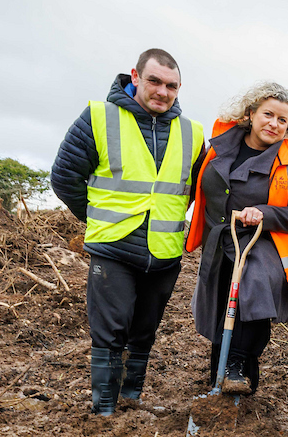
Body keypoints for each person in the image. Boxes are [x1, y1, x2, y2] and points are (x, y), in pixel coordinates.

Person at [50, 48, 206, 415]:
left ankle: (131, 399)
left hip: (165, 250)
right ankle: (104, 409)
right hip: (114, 249)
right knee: (110, 331)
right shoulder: (99, 117)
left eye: (171, 86)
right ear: (135, 77)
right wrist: (97, 220)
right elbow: (64, 177)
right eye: (154, 81)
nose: (162, 92)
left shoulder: (193, 133)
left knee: (145, 331)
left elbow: (202, 187)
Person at [187, 82, 288, 393]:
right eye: (268, 115)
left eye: (282, 120)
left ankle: (238, 366)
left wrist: (264, 212)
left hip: (265, 243)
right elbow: (196, 189)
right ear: (251, 113)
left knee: (253, 287)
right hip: (221, 239)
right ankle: (222, 381)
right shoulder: (218, 149)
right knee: (221, 309)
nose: (274, 124)